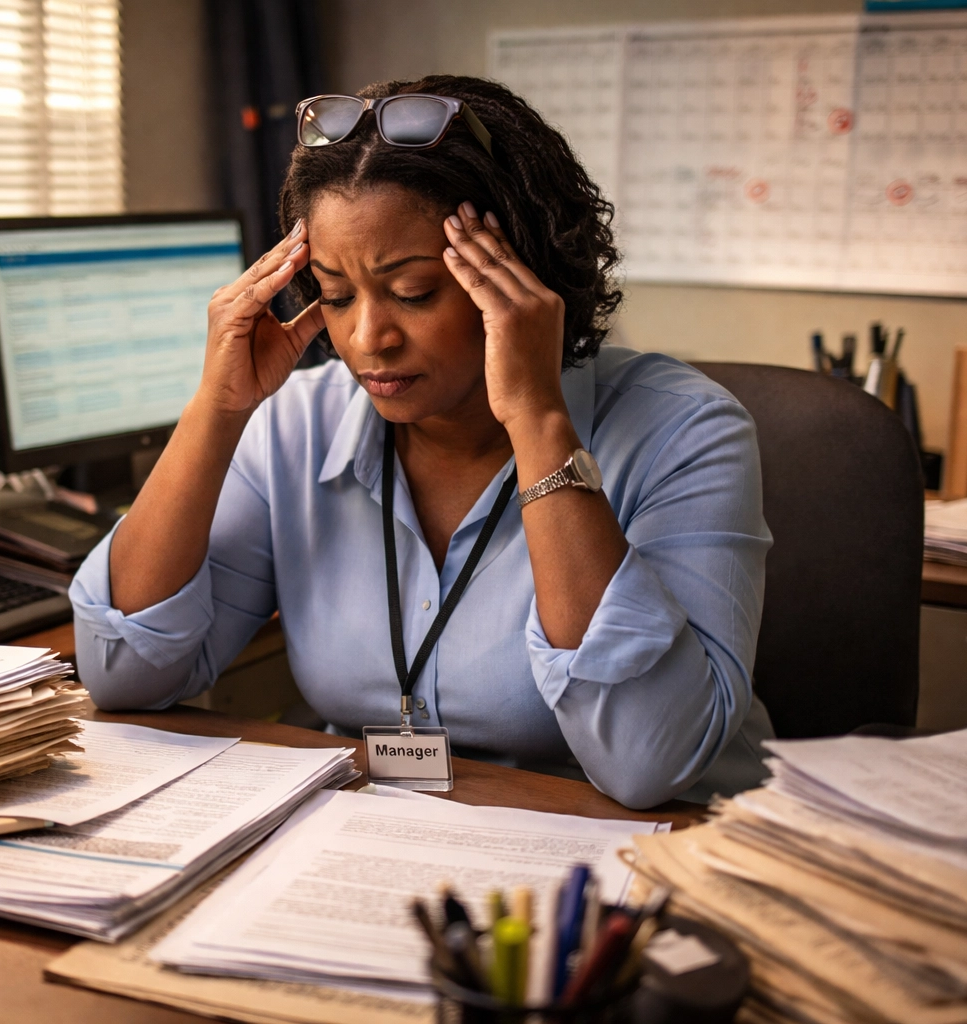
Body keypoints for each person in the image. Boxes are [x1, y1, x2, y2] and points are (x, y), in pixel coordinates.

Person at [71, 75, 774, 809]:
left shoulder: (686, 432)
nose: (367, 338)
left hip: (636, 858)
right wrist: (217, 408)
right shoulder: (295, 428)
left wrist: (537, 419)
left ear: (520, 271)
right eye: (335, 294)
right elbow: (123, 676)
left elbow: (648, 761)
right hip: (382, 846)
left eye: (412, 292)